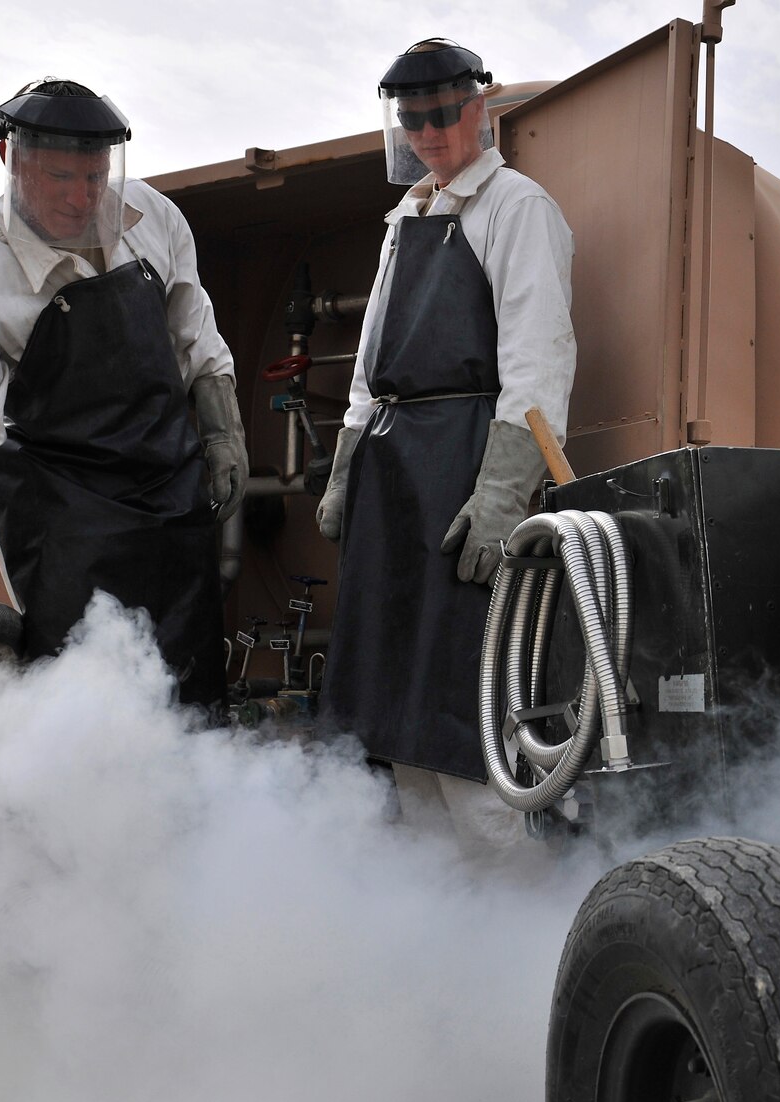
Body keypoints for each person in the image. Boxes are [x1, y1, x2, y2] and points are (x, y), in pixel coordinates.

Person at [0, 79, 247, 707]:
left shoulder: (154, 217)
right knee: (86, 711)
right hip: (63, 522)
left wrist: (223, 433)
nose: (81, 197)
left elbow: (195, 332)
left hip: (171, 499)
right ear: (11, 158)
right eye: (60, 177)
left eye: (94, 176)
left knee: (191, 703)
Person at [315, 39, 577, 845]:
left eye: (440, 114)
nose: (428, 133)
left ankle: (510, 919)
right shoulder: (405, 218)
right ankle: (437, 930)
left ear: (478, 109)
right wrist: (345, 474)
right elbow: (367, 375)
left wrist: (501, 493)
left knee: (465, 716)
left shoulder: (517, 207)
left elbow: (538, 362)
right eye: (412, 119)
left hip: (465, 469)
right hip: (394, 482)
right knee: (396, 720)